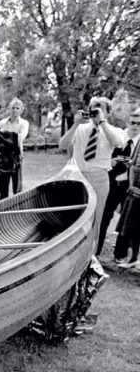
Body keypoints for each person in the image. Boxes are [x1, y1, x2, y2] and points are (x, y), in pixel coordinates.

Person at [59, 96, 123, 243]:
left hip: (99, 178)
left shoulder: (113, 131)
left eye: (100, 109)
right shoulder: (80, 129)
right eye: (93, 109)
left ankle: (90, 253)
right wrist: (75, 124)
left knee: (95, 218)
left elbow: (117, 143)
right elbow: (62, 145)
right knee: (73, 214)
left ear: (108, 112)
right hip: (78, 176)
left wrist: (102, 122)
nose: (95, 113)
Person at [98, 109, 139, 258]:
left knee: (128, 221)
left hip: (129, 186)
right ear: (128, 122)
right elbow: (100, 157)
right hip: (111, 183)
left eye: (139, 124)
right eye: (133, 123)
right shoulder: (116, 136)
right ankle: (96, 252)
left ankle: (120, 255)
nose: (135, 127)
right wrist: (111, 163)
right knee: (104, 217)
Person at [115, 123, 140, 270]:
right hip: (134, 192)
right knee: (132, 228)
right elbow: (132, 163)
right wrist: (131, 185)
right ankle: (133, 258)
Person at [0, 97, 29, 198]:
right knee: (3, 187)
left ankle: (17, 211)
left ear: (22, 110)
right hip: (3, 157)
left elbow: (20, 138)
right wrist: (10, 137)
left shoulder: (24, 123)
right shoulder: (2, 123)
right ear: (9, 109)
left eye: (17, 108)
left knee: (17, 187)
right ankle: (3, 211)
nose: (15, 110)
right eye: (13, 107)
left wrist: (5, 135)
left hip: (17, 157)